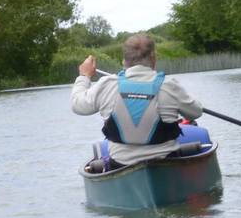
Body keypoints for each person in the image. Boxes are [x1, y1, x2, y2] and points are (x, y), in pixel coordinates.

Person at [71, 33, 204, 168]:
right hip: (167, 163)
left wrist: (84, 76)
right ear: (153, 58)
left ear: (124, 60)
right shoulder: (169, 85)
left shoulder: (107, 84)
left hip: (120, 166)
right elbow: (196, 112)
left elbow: (77, 104)